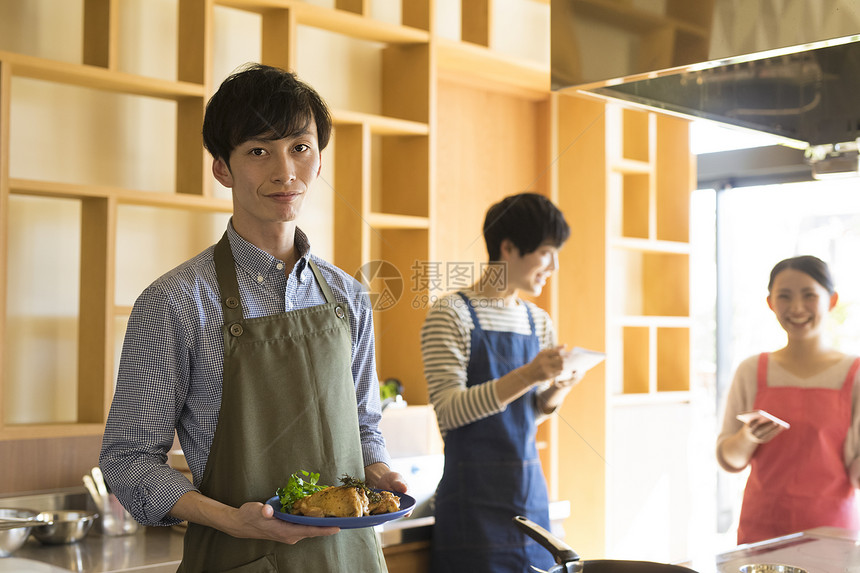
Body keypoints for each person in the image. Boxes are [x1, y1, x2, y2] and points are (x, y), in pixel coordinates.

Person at [99, 63, 406, 572]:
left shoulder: (349, 297)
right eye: (259, 151)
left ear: (320, 160)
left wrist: (379, 470)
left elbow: (364, 423)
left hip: (349, 559)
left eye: (299, 148)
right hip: (237, 555)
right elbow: (128, 461)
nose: (285, 171)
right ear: (223, 167)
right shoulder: (174, 301)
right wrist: (230, 518)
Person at [421, 193, 584, 572]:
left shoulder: (537, 321)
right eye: (547, 252)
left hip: (531, 500)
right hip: (472, 508)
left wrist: (559, 387)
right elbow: (450, 411)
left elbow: (529, 414)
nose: (554, 265)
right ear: (508, 248)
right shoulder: (451, 314)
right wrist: (530, 374)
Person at [716, 255, 860, 545]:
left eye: (809, 295)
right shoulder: (751, 370)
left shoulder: (855, 375)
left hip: (832, 534)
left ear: (831, 300)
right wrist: (748, 436)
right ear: (770, 303)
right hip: (761, 533)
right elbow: (729, 459)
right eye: (784, 296)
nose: (796, 308)